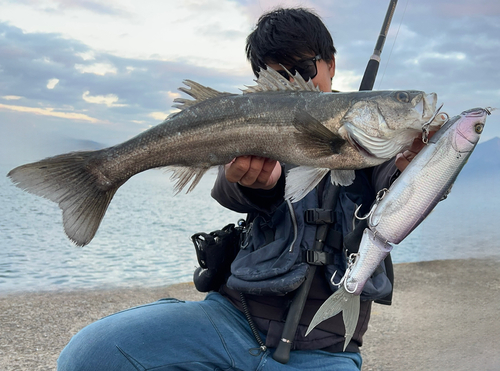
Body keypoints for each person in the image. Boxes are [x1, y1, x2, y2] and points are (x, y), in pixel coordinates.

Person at [57, 8, 425, 371]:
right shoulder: (257, 119)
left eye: (305, 69)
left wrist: (421, 167)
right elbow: (227, 189)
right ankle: (101, 172)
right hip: (232, 320)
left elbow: (403, 194)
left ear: (331, 63)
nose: (296, 82)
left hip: (325, 350)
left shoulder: (380, 145)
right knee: (88, 354)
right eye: (279, 75)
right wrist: (262, 187)